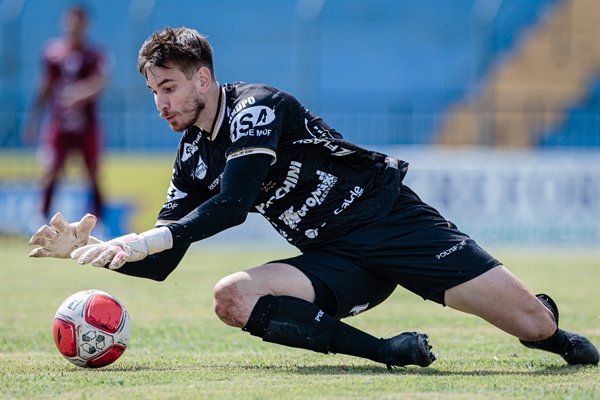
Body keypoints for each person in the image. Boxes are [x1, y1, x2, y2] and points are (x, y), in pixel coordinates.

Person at [28, 27, 598, 370]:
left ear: (203, 79)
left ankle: (551, 326)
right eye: (154, 91)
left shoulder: (257, 108)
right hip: (336, 260)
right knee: (232, 298)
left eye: (169, 88)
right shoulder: (194, 156)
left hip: (392, 220)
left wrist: (137, 238)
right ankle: (387, 353)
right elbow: (163, 265)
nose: (161, 103)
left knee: (534, 328)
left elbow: (231, 204)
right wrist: (99, 249)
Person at [25, 4, 106, 223]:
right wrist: (33, 119)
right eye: (71, 20)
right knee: (50, 170)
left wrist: (81, 93)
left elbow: (100, 82)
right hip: (58, 125)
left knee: (93, 173)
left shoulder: (94, 55)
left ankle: (97, 222)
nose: (74, 26)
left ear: (86, 24)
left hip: (86, 126)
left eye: (79, 21)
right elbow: (44, 86)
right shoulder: (52, 53)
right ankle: (40, 219)